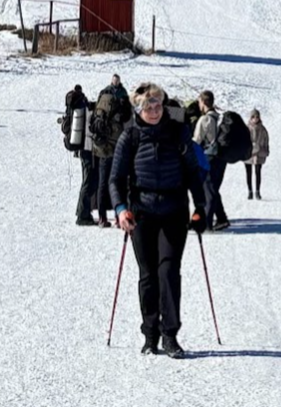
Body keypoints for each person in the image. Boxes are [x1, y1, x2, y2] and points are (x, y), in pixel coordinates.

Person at [110, 84, 211, 358]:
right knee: (148, 274)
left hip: (174, 210)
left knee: (168, 271)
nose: (154, 111)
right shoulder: (129, 136)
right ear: (138, 109)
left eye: (158, 106)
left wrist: (200, 207)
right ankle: (150, 333)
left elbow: (192, 172)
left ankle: (170, 335)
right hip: (140, 213)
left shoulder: (178, 133)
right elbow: (115, 179)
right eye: (147, 107)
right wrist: (120, 209)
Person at [89, 74, 132, 227]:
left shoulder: (103, 94)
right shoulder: (122, 95)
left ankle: (101, 217)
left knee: (102, 182)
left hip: (101, 145)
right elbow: (127, 117)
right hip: (116, 144)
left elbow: (94, 117)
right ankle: (118, 216)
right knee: (117, 181)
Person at [190, 90, 231, 230]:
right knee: (213, 188)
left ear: (203, 102)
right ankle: (221, 218)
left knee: (208, 189)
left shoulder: (204, 119)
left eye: (200, 102)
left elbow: (196, 141)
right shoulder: (219, 117)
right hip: (222, 157)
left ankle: (207, 224)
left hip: (209, 157)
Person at [62, 83, 97, 225]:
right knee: (89, 182)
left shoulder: (72, 109)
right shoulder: (82, 107)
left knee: (86, 180)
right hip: (86, 148)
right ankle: (83, 216)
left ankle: (81, 211)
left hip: (80, 148)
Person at [244, 109, 270, 199]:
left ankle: (257, 192)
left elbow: (266, 141)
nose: (255, 119)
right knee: (248, 172)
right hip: (248, 153)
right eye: (253, 117)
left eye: (257, 117)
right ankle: (250, 191)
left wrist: (265, 150)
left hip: (259, 153)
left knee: (258, 172)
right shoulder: (246, 128)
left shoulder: (263, 129)